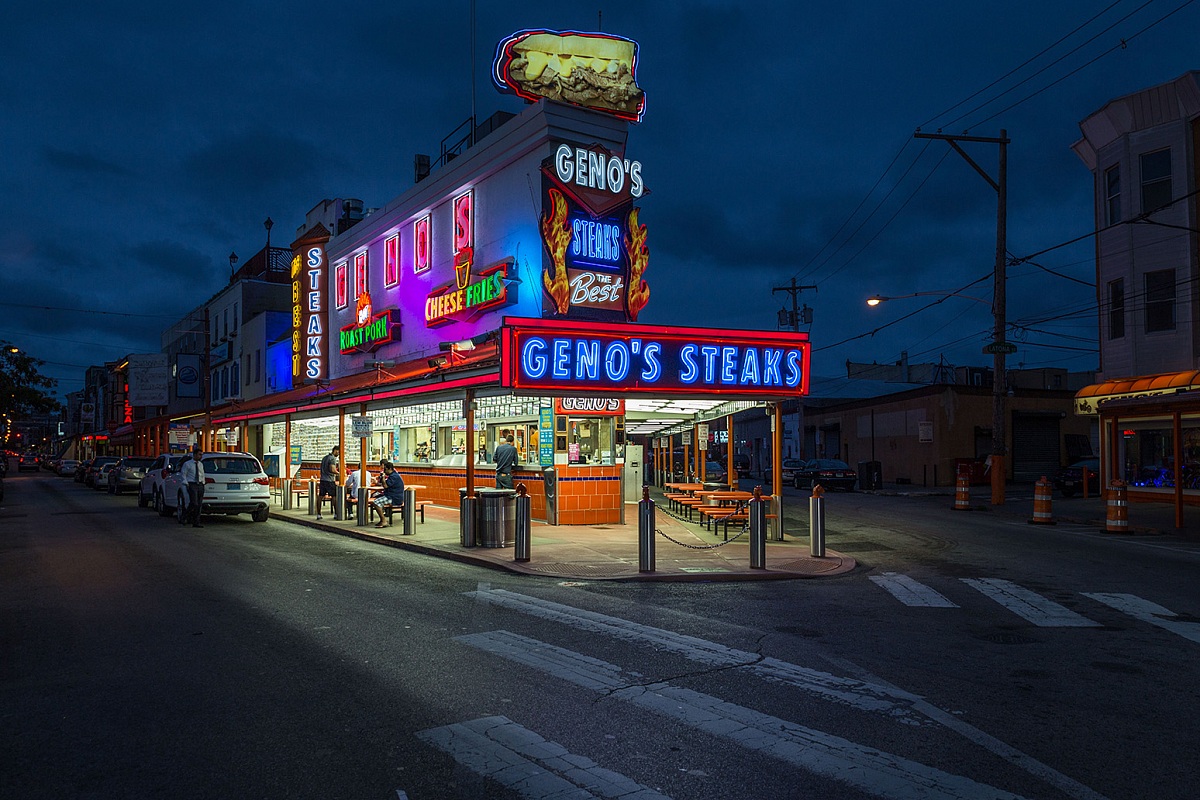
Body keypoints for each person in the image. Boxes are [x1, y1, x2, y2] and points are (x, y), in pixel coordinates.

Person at [370, 460, 405, 528]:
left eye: (385, 469)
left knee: (376, 502)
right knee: (377, 500)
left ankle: (383, 521)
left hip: (394, 497)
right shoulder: (393, 475)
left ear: (390, 469)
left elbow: (385, 486)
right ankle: (383, 518)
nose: (384, 471)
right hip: (392, 495)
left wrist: (383, 478)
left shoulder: (394, 476)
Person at [179, 446, 205, 528]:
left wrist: (203, 482)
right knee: (194, 503)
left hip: (200, 484)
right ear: (194, 455)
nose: (201, 456)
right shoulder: (187, 464)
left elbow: (202, 474)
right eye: (199, 454)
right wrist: (186, 483)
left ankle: (196, 522)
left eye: (201, 455)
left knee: (199, 504)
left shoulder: (200, 464)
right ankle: (185, 516)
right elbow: (183, 474)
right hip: (192, 484)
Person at [317, 445, 340, 520]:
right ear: (335, 450)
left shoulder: (324, 458)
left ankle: (319, 514)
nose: (339, 453)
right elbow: (332, 469)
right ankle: (336, 513)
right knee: (334, 496)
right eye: (338, 451)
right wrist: (339, 473)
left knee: (320, 496)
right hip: (329, 480)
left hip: (322, 479)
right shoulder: (332, 458)